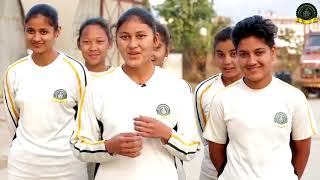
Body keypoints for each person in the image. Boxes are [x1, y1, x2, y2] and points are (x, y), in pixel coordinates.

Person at [70, 7, 200, 180]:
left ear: (155, 40)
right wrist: (109, 146)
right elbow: (79, 145)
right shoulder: (98, 87)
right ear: (116, 41)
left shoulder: (177, 87)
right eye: (124, 37)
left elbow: (192, 147)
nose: (132, 44)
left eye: (140, 36)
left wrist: (166, 134)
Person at [203, 15, 318, 180]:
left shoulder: (294, 98)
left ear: (272, 52)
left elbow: (302, 148)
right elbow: (216, 149)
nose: (252, 61)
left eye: (259, 52)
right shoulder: (222, 99)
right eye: (243, 54)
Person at [2, 4, 88, 180]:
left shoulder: (76, 71)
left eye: (44, 31)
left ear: (57, 32)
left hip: (67, 168)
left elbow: (85, 119)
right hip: (22, 168)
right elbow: (13, 122)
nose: (36, 37)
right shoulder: (14, 72)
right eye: (30, 31)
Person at [194, 27, 242, 180]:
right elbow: (205, 136)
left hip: (247, 172)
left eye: (233, 54)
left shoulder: (256, 88)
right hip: (211, 173)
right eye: (221, 55)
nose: (227, 61)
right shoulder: (203, 90)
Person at [77, 17, 114, 180]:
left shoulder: (119, 78)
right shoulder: (73, 76)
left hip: (108, 155)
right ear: (79, 44)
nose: (93, 48)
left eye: (99, 41)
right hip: (73, 154)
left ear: (110, 43)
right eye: (86, 42)